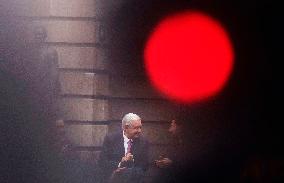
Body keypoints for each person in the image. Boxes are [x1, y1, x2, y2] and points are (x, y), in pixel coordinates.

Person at [98, 113, 149, 183]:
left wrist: (128, 170)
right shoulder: (111, 139)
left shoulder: (143, 142)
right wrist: (120, 164)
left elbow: (144, 167)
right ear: (126, 127)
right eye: (136, 128)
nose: (139, 130)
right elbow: (102, 162)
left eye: (140, 127)